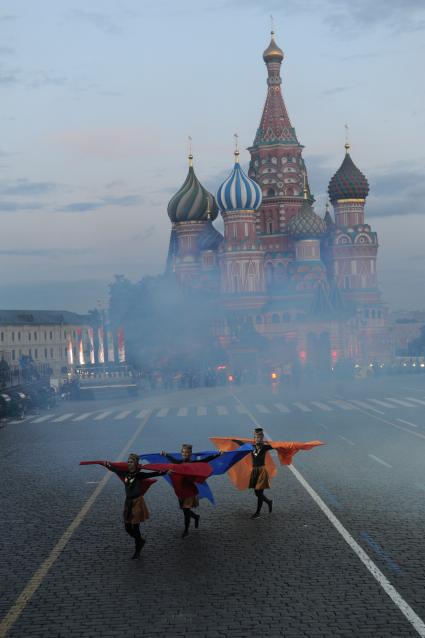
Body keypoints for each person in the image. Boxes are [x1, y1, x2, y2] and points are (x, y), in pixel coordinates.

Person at [104, 453, 165, 558]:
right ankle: (140, 540)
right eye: (128, 461)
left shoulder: (139, 475)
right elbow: (114, 470)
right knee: (127, 528)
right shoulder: (125, 473)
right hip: (128, 503)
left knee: (135, 527)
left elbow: (153, 474)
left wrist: (165, 472)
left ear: (136, 464)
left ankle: (137, 551)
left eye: (131, 462)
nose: (129, 463)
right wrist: (107, 465)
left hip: (137, 502)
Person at [161, 444, 221, 538]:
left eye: (187, 452)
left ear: (190, 454)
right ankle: (196, 517)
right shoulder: (179, 462)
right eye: (184, 452)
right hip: (181, 490)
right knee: (185, 510)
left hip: (190, 491)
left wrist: (217, 454)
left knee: (186, 511)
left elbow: (205, 460)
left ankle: (186, 530)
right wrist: (165, 454)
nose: (185, 454)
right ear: (181, 453)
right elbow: (172, 460)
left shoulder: (193, 463)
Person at [237, 428, 273, 519]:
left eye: (260, 437)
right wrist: (233, 440)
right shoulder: (251, 447)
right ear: (254, 438)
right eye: (256, 437)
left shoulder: (265, 447)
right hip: (254, 471)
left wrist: (290, 445)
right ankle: (269, 502)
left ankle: (257, 513)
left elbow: (277, 446)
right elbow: (242, 444)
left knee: (259, 493)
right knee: (257, 493)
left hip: (261, 472)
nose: (258, 439)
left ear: (262, 438)